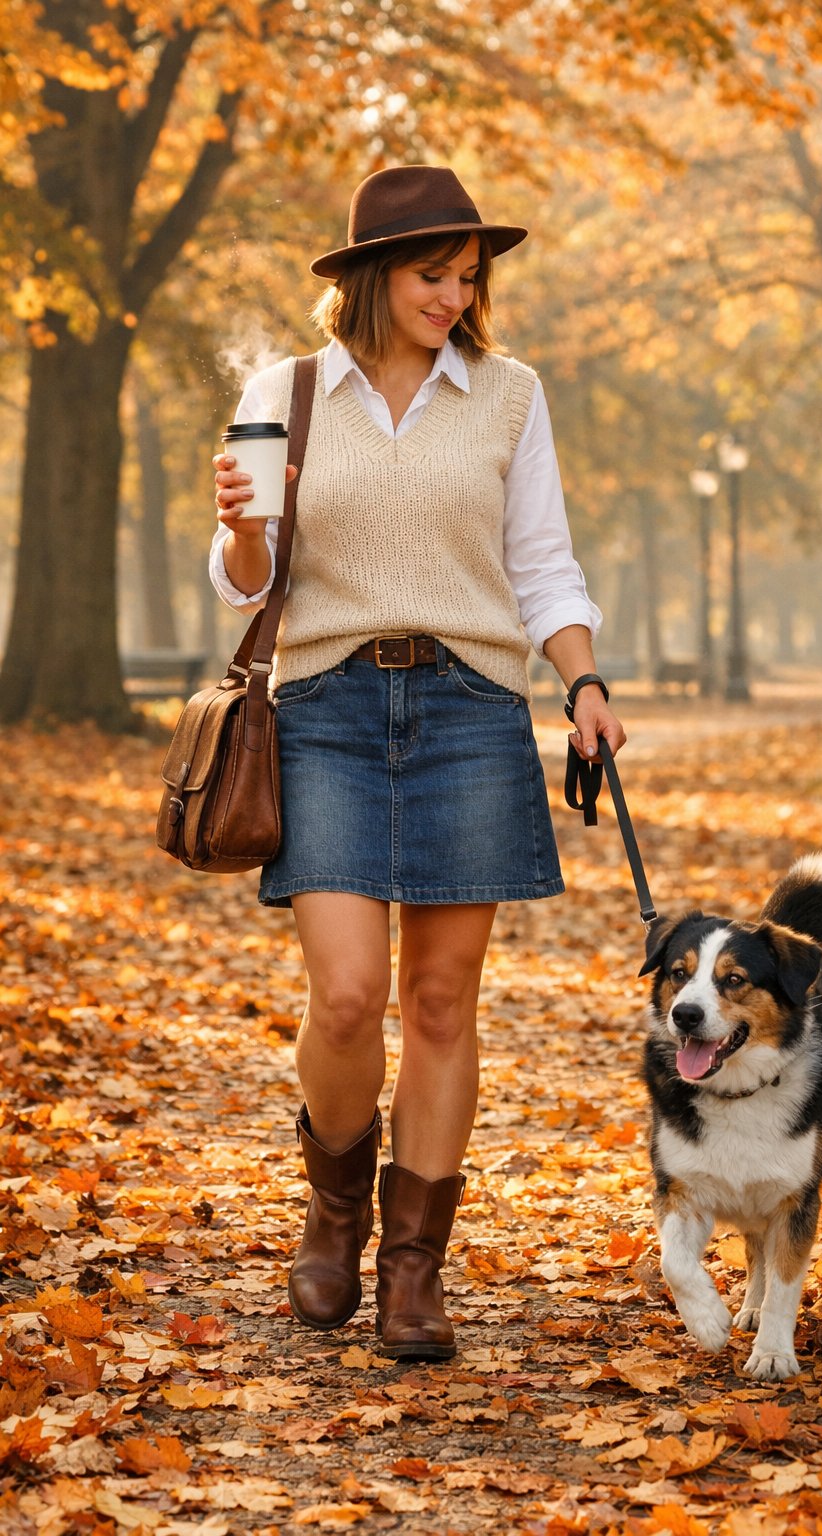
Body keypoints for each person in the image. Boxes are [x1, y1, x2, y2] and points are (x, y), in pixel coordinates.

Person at [211, 165, 625, 1361]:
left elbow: (541, 561)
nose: (455, 295)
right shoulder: (282, 391)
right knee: (344, 995)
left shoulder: (508, 396)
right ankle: (334, 1208)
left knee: (440, 1002)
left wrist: (583, 679)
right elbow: (244, 580)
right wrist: (240, 529)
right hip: (329, 705)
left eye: (466, 276)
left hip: (470, 707)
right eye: (431, 274)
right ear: (368, 278)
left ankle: (412, 1271)